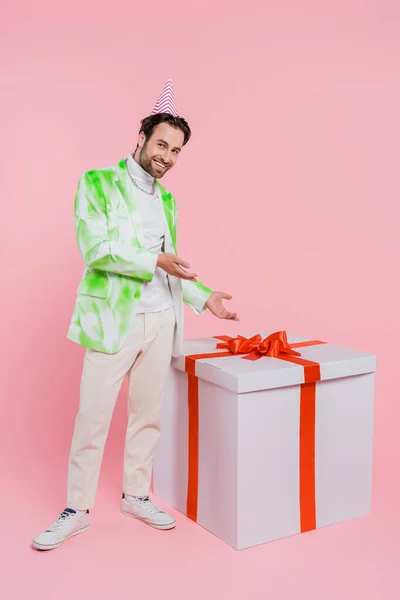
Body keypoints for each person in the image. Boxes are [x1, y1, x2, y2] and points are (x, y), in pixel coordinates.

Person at [32, 80, 238, 550]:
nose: (167, 156)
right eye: (162, 144)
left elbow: (173, 263)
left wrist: (204, 298)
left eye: (177, 150)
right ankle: (76, 508)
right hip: (113, 321)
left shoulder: (166, 200)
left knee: (148, 415)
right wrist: (154, 262)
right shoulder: (97, 181)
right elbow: (97, 249)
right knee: (93, 416)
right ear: (142, 138)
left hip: (161, 318)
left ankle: (136, 495)